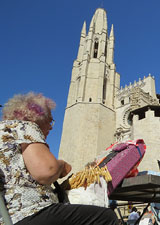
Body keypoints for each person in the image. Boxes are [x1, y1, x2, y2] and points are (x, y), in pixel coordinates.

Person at [0, 92, 118, 225]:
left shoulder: (4, 132)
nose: (51, 126)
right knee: (106, 216)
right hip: (29, 214)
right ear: (36, 115)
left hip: (6, 217)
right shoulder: (25, 127)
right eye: (50, 120)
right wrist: (61, 165)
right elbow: (47, 171)